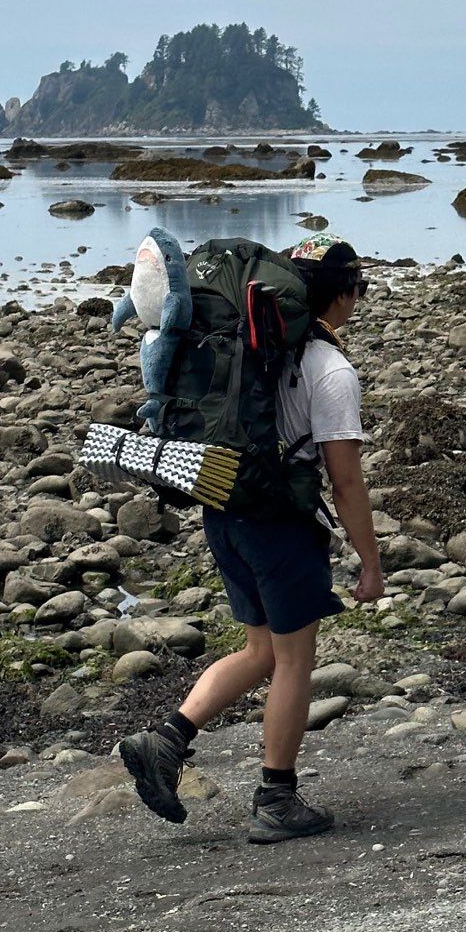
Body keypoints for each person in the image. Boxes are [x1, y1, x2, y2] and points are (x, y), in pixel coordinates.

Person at [118, 236, 383, 842]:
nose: (356, 301)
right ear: (341, 295)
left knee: (261, 651)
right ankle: (277, 797)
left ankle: (165, 741)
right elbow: (345, 481)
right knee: (294, 661)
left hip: (223, 506)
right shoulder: (330, 369)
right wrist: (370, 561)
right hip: (279, 523)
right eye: (358, 290)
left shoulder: (247, 344)